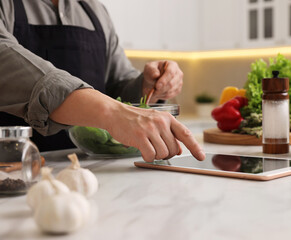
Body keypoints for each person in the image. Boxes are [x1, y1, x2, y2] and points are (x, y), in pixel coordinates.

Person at [0, 0, 205, 162]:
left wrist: (147, 87)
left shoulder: (96, 11)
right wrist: (112, 113)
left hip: (93, 168)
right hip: (14, 171)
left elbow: (117, 85)